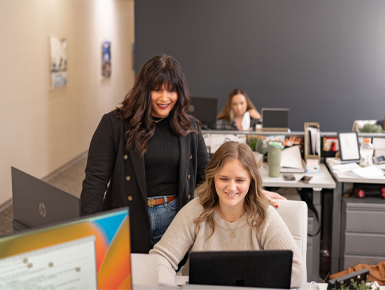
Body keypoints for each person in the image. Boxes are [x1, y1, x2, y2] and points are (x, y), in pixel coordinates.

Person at [81, 54, 284, 254]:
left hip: (174, 217)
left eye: (171, 90)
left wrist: (253, 190)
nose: (164, 98)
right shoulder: (114, 124)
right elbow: (95, 181)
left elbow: (208, 174)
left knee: (168, 277)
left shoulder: (190, 128)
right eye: (157, 90)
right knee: (128, 277)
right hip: (128, 217)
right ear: (144, 90)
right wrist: (87, 232)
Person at [149, 141, 304, 288]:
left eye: (240, 180)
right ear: (212, 178)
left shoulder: (264, 215)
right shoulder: (195, 211)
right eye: (223, 178)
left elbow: (297, 272)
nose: (231, 187)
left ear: (251, 181)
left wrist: (245, 281)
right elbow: (161, 258)